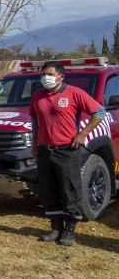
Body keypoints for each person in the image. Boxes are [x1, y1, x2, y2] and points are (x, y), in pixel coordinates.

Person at [30, 61, 105, 247]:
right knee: (48, 190)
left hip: (67, 149)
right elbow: (35, 120)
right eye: (43, 73)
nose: (45, 77)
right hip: (45, 150)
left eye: (49, 74)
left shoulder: (74, 93)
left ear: (61, 76)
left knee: (70, 190)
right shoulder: (38, 95)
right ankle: (56, 228)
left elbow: (99, 112)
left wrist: (83, 134)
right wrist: (34, 142)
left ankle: (69, 231)